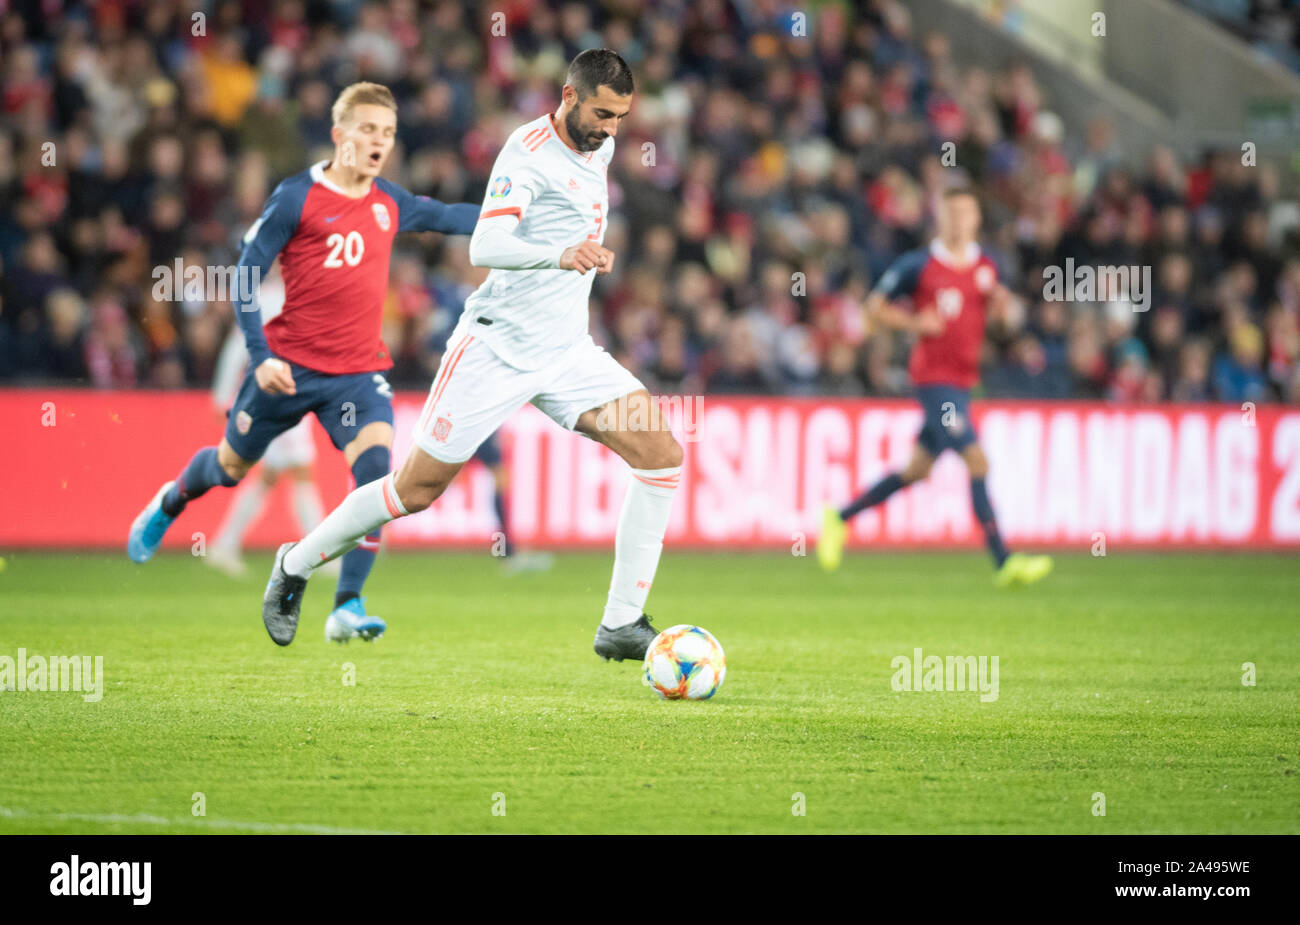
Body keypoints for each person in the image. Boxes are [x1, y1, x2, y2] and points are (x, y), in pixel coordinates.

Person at [262, 50, 683, 663]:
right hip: (495, 347)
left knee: (661, 455)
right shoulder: (527, 153)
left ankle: (620, 623)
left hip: (566, 350)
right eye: (601, 113)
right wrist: (560, 253)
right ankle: (294, 564)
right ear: (567, 96)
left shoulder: (604, 146)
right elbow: (486, 241)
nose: (611, 129)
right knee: (414, 489)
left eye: (620, 117)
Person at [128, 82, 479, 644]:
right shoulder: (296, 197)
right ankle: (171, 500)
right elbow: (245, 276)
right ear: (340, 135)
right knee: (230, 469)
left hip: (357, 375)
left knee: (377, 478)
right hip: (285, 369)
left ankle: (347, 603)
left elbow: (454, 216)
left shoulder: (389, 201)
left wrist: (524, 217)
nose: (378, 142)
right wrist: (260, 357)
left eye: (387, 133)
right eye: (367, 130)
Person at [817, 188, 1053, 588]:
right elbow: (873, 309)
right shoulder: (919, 265)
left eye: (967, 212)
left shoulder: (988, 266)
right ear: (941, 218)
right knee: (977, 462)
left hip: (963, 382)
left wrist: (1003, 316)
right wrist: (914, 324)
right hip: (933, 383)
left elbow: (998, 321)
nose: (960, 220)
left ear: (977, 218)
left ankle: (839, 518)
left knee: (915, 471)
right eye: (953, 213)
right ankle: (1005, 561)